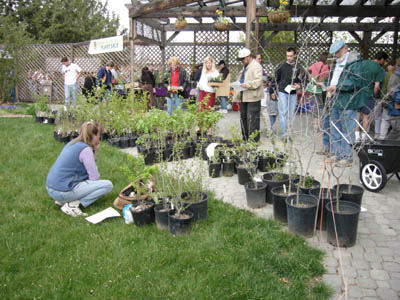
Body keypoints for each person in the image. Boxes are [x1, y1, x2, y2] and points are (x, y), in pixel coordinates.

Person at [46, 121, 113, 217]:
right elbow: (94, 178)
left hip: (51, 188)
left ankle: (64, 200)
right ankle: (72, 205)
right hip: (62, 191)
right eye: (99, 135)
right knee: (107, 185)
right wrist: (95, 151)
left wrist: (95, 150)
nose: (99, 138)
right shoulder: (85, 150)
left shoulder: (72, 144)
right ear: (93, 135)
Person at [327, 40, 364, 166]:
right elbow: (334, 78)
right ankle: (337, 154)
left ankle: (347, 157)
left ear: (345, 49)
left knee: (347, 129)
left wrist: (337, 87)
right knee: (336, 128)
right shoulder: (337, 63)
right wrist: (327, 85)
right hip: (336, 99)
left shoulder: (354, 63)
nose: (336, 55)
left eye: (338, 52)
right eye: (335, 53)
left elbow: (356, 82)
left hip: (348, 101)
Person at [355, 52, 387, 141]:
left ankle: (356, 137)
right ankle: (364, 138)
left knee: (357, 116)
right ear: (382, 59)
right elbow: (377, 86)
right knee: (366, 117)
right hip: (368, 94)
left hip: (357, 93)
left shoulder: (363, 63)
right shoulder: (379, 69)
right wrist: (374, 95)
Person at [275, 47, 304, 137]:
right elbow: (275, 79)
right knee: (283, 112)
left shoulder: (299, 67)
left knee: (291, 114)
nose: (289, 58)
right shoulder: (281, 66)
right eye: (287, 56)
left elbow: (304, 79)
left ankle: (288, 131)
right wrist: (274, 91)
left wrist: (300, 85)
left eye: (291, 56)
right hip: (282, 91)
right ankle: (285, 133)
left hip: (293, 93)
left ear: (295, 55)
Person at [236, 48, 264, 142]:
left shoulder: (256, 66)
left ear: (248, 57)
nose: (241, 61)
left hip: (253, 97)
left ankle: (254, 141)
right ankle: (245, 139)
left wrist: (246, 84)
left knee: (253, 120)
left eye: (242, 59)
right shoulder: (245, 66)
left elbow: (258, 82)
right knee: (243, 118)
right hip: (244, 96)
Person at [307, 52, 330, 127]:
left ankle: (315, 124)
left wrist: (312, 76)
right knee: (324, 105)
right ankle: (324, 123)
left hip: (312, 88)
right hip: (320, 88)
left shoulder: (314, 64)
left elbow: (308, 70)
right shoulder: (326, 67)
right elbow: (327, 77)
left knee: (315, 106)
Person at [380, 57, 400, 139]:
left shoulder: (392, 74)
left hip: (390, 103)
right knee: (396, 130)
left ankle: (382, 140)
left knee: (387, 123)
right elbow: (394, 91)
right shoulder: (396, 75)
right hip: (395, 107)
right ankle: (384, 145)